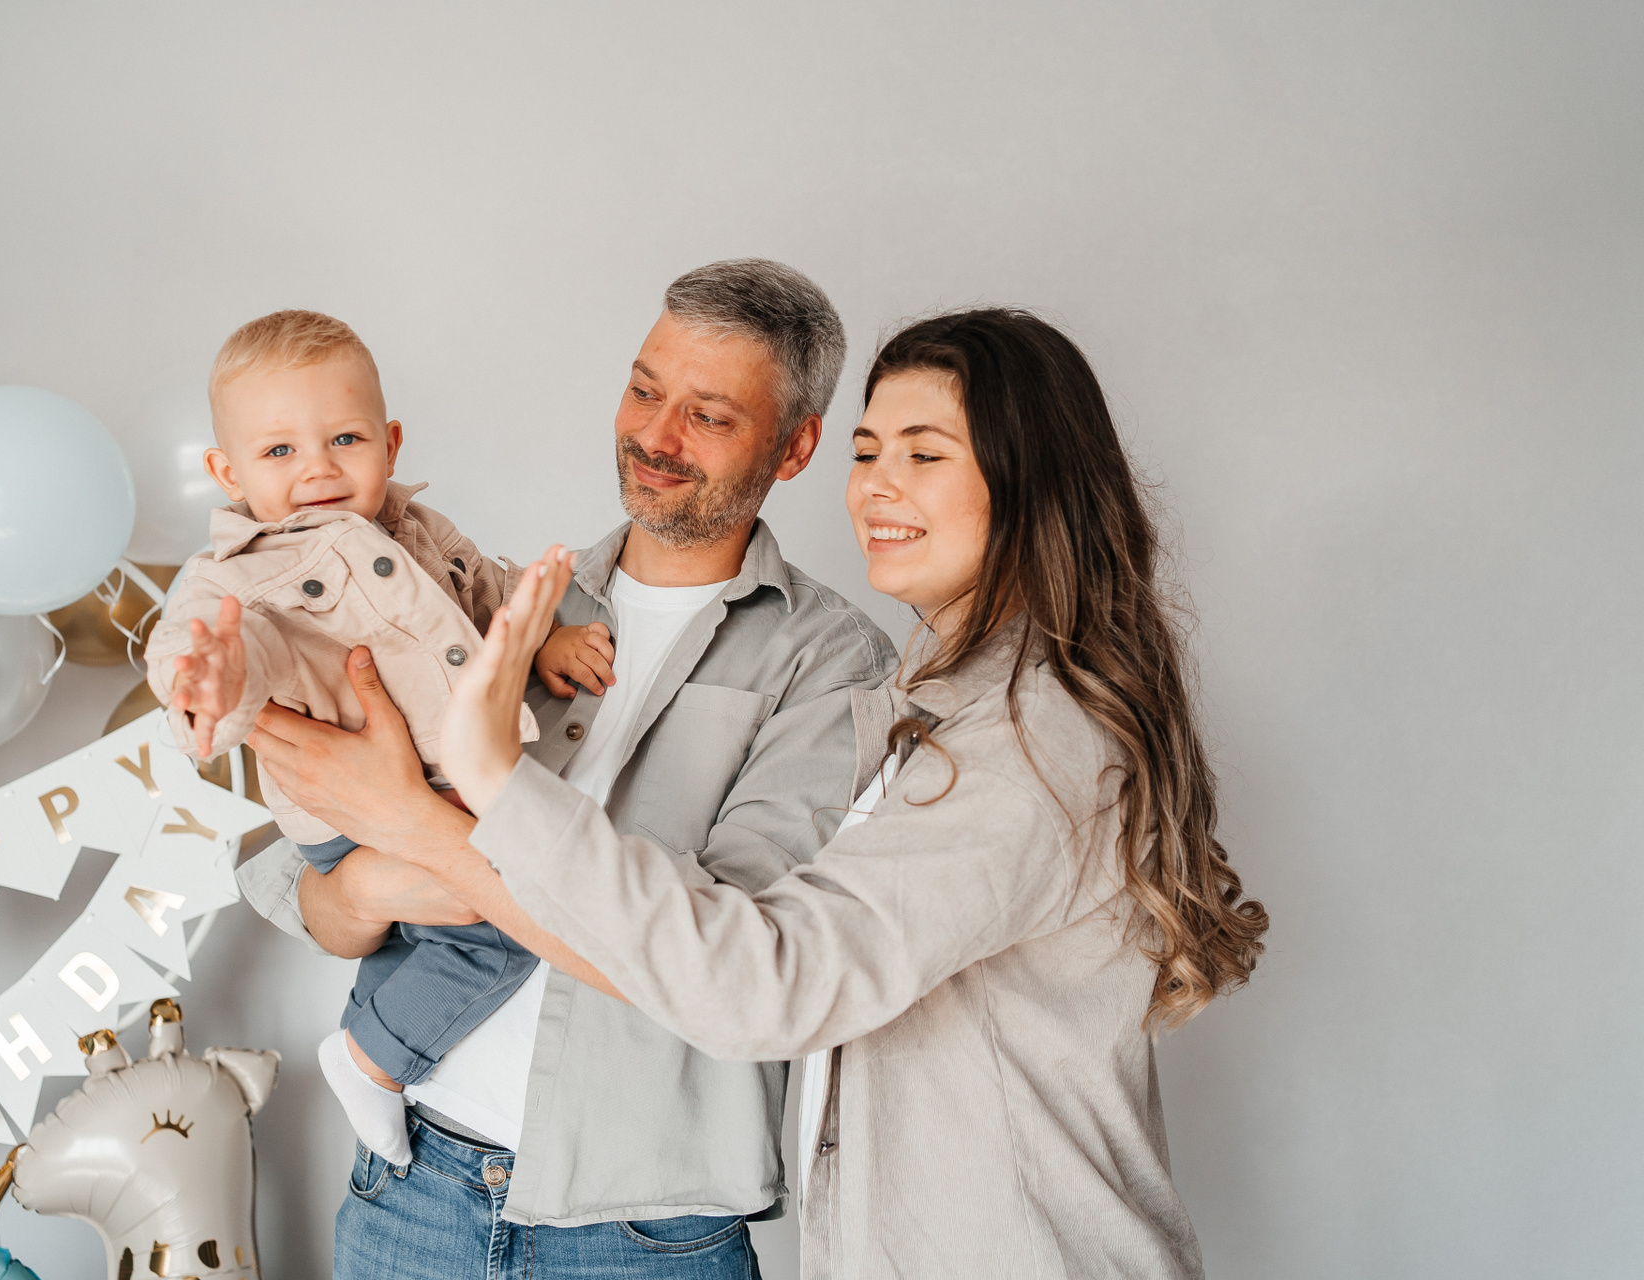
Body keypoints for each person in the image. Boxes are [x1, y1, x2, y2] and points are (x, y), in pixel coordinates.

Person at [267, 308, 1272, 1278]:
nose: (878, 486)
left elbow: (752, 974)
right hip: (414, 1174)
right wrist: (364, 876)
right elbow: (313, 881)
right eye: (870, 453)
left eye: (924, 454)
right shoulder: (517, 607)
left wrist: (437, 816)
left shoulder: (989, 725)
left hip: (676, 1234)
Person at [240, 261, 897, 1277]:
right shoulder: (492, 606)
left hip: (648, 1233)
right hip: (410, 1188)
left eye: (709, 416)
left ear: (796, 445)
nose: (656, 436)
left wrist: (416, 825)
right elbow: (321, 900)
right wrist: (368, 878)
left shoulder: (833, 663)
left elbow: (726, 968)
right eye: (643, 389)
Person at [144, 309, 610, 1167]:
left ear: (389, 444)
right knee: (507, 926)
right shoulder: (239, 577)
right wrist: (206, 682)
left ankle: (376, 1021)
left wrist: (542, 638)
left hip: (438, 786)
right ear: (228, 473)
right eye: (279, 450)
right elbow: (229, 642)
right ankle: (371, 1059)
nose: (318, 468)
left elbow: (485, 592)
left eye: (345, 439)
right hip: (347, 809)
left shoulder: (416, 531)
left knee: (452, 918)